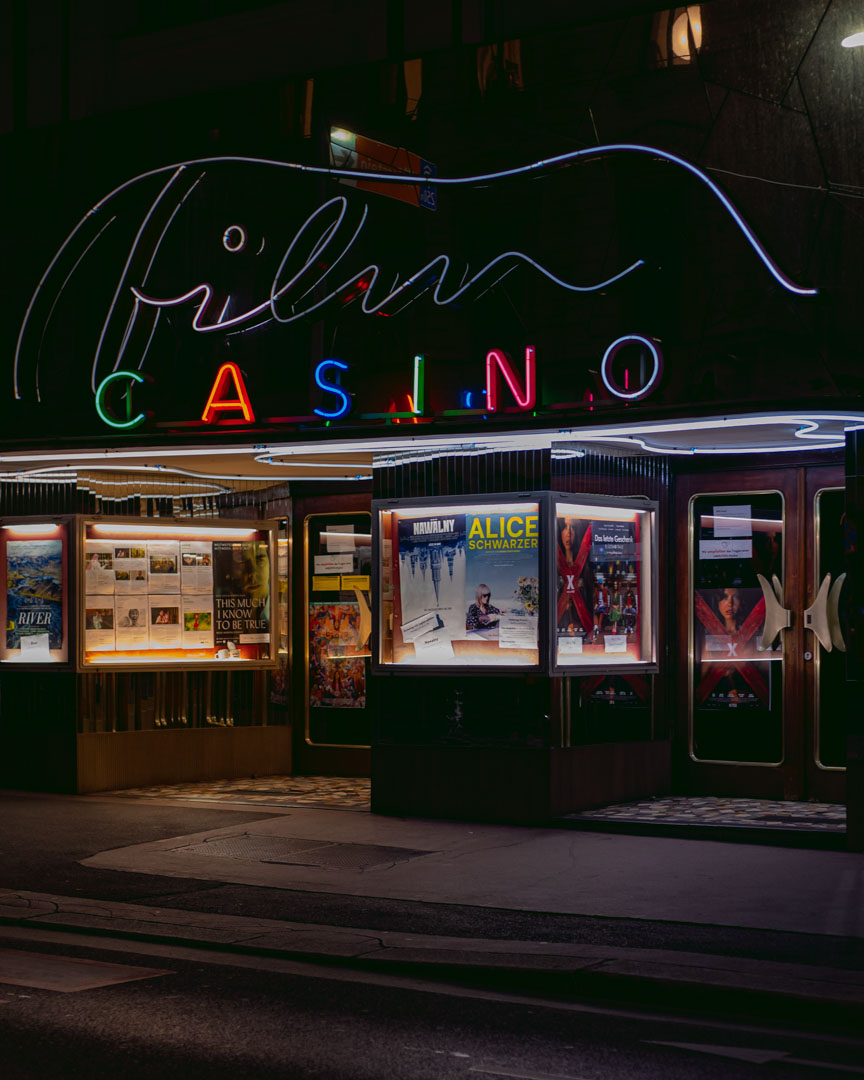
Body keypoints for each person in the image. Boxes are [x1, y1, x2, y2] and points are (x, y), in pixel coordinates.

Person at [556, 516, 592, 635]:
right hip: (559, 626)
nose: (569, 534)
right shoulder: (553, 565)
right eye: (565, 528)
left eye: (572, 528)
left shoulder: (585, 567)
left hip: (580, 626)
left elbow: (589, 597)